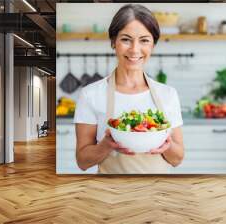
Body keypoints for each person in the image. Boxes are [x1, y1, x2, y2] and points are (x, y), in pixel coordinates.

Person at [74, 4, 184, 174]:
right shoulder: (90, 94)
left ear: (153, 45)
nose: (134, 49)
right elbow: (82, 161)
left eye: (144, 40)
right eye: (126, 39)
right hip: (110, 195)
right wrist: (105, 145)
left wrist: (166, 145)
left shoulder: (168, 94)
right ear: (113, 42)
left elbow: (177, 159)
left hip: (158, 194)